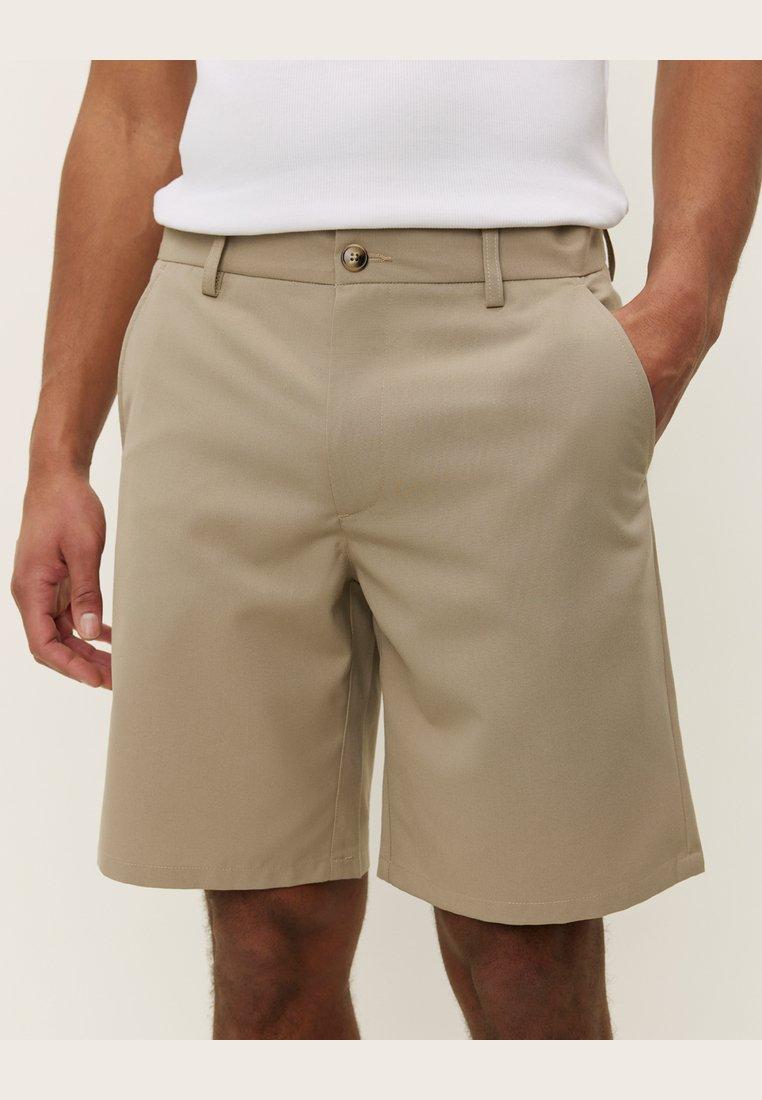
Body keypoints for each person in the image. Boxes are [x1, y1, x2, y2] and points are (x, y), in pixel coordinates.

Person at [11, 60, 762, 1040]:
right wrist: (57, 456)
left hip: (514, 339)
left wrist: (685, 308)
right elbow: (130, 108)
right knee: (264, 934)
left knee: (524, 943)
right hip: (220, 340)